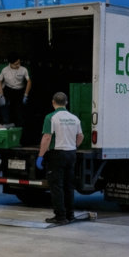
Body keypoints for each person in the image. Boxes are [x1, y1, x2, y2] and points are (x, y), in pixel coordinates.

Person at [37, 91, 83, 225]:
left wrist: (40, 155)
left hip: (57, 155)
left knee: (57, 186)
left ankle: (60, 217)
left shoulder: (51, 117)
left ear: (53, 102)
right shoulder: (74, 118)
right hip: (71, 154)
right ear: (66, 103)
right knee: (69, 186)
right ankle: (70, 215)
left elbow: (47, 137)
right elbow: (81, 136)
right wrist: (73, 145)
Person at [0, 56, 31, 126]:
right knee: (4, 106)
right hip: (8, 89)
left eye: (19, 63)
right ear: (10, 63)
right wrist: (1, 95)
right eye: (16, 64)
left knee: (19, 109)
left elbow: (29, 81)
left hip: (20, 90)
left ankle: (20, 126)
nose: (18, 65)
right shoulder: (3, 68)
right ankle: (6, 123)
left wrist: (26, 95)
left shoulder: (24, 69)